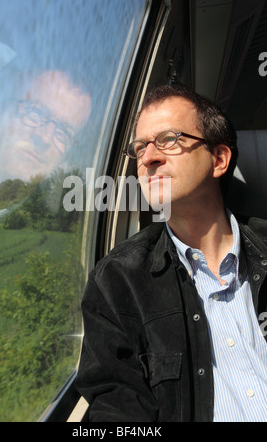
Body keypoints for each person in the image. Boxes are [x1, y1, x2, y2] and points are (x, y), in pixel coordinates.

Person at [75, 84, 267, 422]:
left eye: (169, 139)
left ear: (218, 159)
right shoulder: (118, 282)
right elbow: (116, 407)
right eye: (140, 148)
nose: (148, 158)